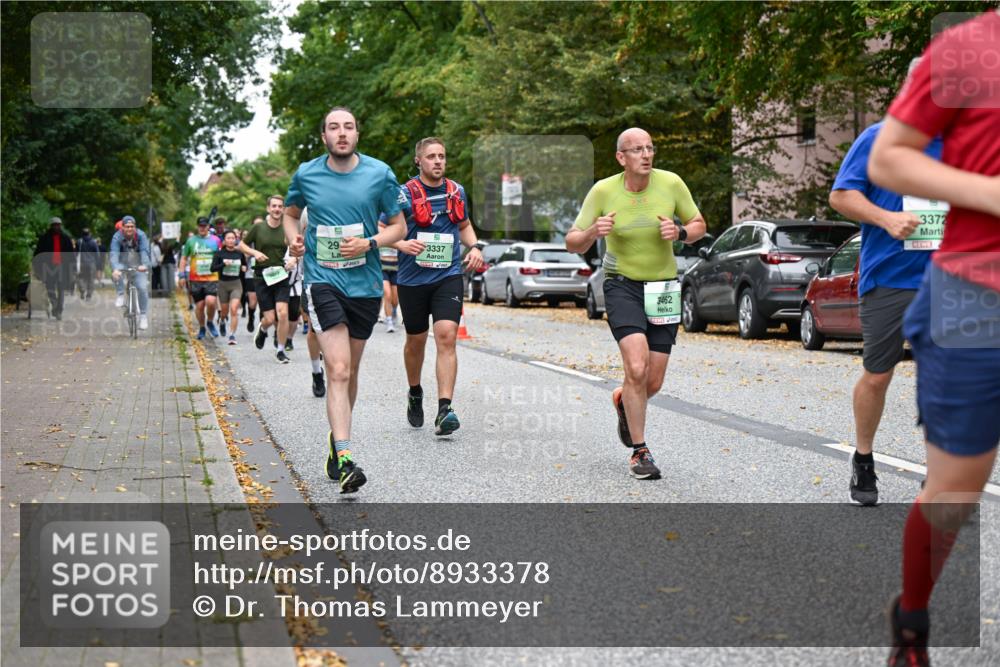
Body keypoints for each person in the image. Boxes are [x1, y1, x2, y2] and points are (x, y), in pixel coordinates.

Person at [867, 11, 1000, 667]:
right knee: (954, 493)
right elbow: (889, 158)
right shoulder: (969, 48)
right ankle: (912, 621)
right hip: (977, 295)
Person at [829, 59, 943, 506]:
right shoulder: (879, 139)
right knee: (878, 375)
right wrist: (887, 218)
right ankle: (863, 457)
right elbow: (841, 195)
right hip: (890, 278)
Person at [566, 127, 706, 479]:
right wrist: (592, 233)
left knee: (652, 382)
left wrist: (682, 233)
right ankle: (640, 452)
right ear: (621, 157)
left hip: (662, 289)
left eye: (650, 148)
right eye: (637, 150)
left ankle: (622, 399)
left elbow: (698, 223)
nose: (646, 155)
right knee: (637, 367)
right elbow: (573, 242)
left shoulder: (671, 183)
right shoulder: (603, 191)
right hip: (621, 285)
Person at [283, 106, 407, 493]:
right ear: (324, 136)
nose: (341, 133)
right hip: (323, 281)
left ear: (357, 134)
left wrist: (369, 242)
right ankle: (348, 456)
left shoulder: (379, 174)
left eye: (348, 127)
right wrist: (294, 238)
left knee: (349, 371)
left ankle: (337, 443)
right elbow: (290, 214)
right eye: (334, 128)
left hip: (366, 286)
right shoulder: (307, 173)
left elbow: (400, 225)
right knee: (336, 368)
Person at [392, 137, 483, 435]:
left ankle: (445, 409)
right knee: (416, 341)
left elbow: (464, 224)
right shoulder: (403, 194)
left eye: (442, 156)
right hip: (412, 279)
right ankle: (415, 391)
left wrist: (475, 246)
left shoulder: (456, 191)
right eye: (431, 156)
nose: (438, 161)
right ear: (419, 160)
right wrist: (402, 243)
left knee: (446, 337)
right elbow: (383, 229)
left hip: (447, 276)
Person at [238, 195, 293, 364]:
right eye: (274, 206)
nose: (277, 209)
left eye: (280, 206)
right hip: (262, 277)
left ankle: (281, 350)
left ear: (283, 209)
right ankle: (262, 329)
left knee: (283, 314)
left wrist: (294, 259)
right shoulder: (258, 228)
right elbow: (241, 244)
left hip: (281, 275)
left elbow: (297, 247)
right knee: (270, 319)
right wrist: (254, 253)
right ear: (268, 208)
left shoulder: (287, 227)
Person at [179, 217, 221, 340]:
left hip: (212, 278)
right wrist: (181, 275)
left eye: (204, 226)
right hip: (195, 279)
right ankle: (202, 327)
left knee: (211, 301)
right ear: (197, 227)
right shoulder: (191, 241)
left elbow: (221, 255)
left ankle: (210, 321)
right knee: (200, 306)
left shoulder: (216, 240)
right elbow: (183, 258)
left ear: (208, 226)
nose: (202, 228)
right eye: (200, 226)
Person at [109, 215, 152, 330]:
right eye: (127, 226)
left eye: (132, 226)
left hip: (138, 264)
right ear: (122, 227)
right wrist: (115, 268)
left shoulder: (141, 235)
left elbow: (144, 251)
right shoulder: (117, 237)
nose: (129, 229)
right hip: (122, 262)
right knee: (116, 273)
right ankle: (121, 294)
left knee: (142, 287)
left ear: (135, 227)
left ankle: (143, 316)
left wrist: (144, 265)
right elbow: (114, 254)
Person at [32, 216, 77, 320]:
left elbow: (71, 255)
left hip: (62, 267)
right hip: (48, 267)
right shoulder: (44, 238)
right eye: (54, 225)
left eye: (58, 225)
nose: (56, 227)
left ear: (60, 226)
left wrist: (73, 268)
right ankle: (55, 305)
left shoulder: (65, 238)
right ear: (51, 226)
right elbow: (38, 253)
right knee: (50, 288)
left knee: (61, 289)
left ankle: (59, 310)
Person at [210, 229, 247, 345]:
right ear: (224, 241)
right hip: (223, 284)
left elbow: (244, 266)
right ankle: (222, 321)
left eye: (233, 238)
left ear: (235, 239)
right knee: (224, 311)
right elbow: (213, 268)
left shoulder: (239, 253)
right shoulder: (219, 254)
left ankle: (232, 335)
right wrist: (223, 264)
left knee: (234, 309)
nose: (231, 240)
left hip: (236, 284)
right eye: (228, 238)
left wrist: (244, 269)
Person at [378, 218, 400, 331]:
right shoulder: (380, 232)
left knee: (395, 299)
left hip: (395, 269)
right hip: (383, 268)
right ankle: (389, 322)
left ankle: (394, 310)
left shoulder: (399, 232)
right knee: (387, 294)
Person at [243, 215, 264, 331]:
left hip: (265, 274)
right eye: (256, 224)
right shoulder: (249, 240)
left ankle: (262, 326)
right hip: (251, 274)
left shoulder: (268, 238)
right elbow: (244, 255)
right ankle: (251, 317)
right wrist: (254, 252)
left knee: (263, 302)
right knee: (253, 302)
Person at [76, 227, 100, 300]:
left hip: (82, 263)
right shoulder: (93, 242)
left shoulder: (79, 241)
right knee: (91, 279)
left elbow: (76, 253)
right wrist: (98, 264)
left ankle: (82, 290)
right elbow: (97, 254)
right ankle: (89, 295)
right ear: (89, 233)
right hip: (91, 264)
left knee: (80, 278)